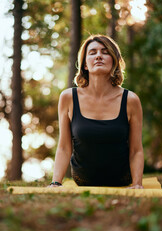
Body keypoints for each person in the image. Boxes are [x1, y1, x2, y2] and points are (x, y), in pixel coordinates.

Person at [49, 34, 144, 189]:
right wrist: (55, 183)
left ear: (113, 61)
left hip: (121, 179)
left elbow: (136, 150)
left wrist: (137, 184)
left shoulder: (130, 100)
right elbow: (64, 147)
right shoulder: (68, 97)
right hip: (83, 179)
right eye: (92, 53)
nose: (99, 56)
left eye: (105, 52)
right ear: (85, 64)